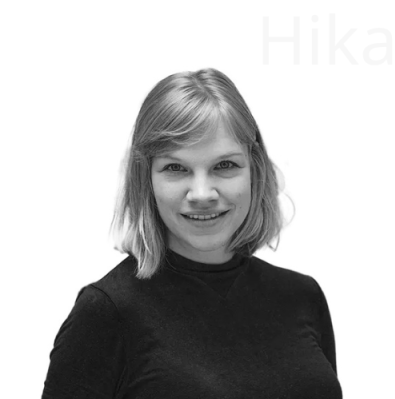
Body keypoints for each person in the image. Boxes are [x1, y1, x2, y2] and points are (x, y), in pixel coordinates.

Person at [41, 68, 342, 398]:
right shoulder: (106, 313)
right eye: (176, 168)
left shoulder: (302, 297)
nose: (202, 193)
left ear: (254, 170)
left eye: (224, 165)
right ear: (146, 180)